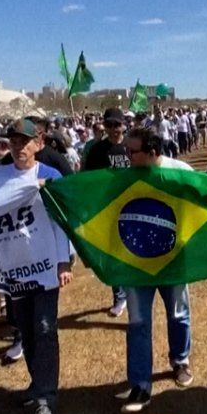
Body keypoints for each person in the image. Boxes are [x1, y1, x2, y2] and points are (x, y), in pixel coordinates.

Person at [0, 118, 73, 414]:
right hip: (13, 271)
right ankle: (37, 383)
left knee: (44, 329)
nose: (19, 147)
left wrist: (63, 261)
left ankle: (46, 400)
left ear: (39, 143)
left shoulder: (49, 176)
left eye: (25, 141)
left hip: (43, 268)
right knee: (26, 330)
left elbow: (60, 222)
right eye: (14, 141)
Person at [119, 126, 196, 413]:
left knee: (178, 313)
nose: (127, 156)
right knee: (138, 322)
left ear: (152, 152)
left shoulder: (180, 170)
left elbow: (204, 194)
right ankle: (140, 385)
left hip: (174, 260)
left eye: (133, 152)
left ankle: (180, 361)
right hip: (136, 263)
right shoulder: (124, 177)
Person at [82, 107, 133, 317]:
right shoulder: (96, 150)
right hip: (107, 208)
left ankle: (134, 289)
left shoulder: (132, 146)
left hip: (133, 205)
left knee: (131, 249)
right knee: (112, 253)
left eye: (116, 125)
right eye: (108, 125)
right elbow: (86, 179)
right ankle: (119, 296)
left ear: (124, 125)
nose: (113, 129)